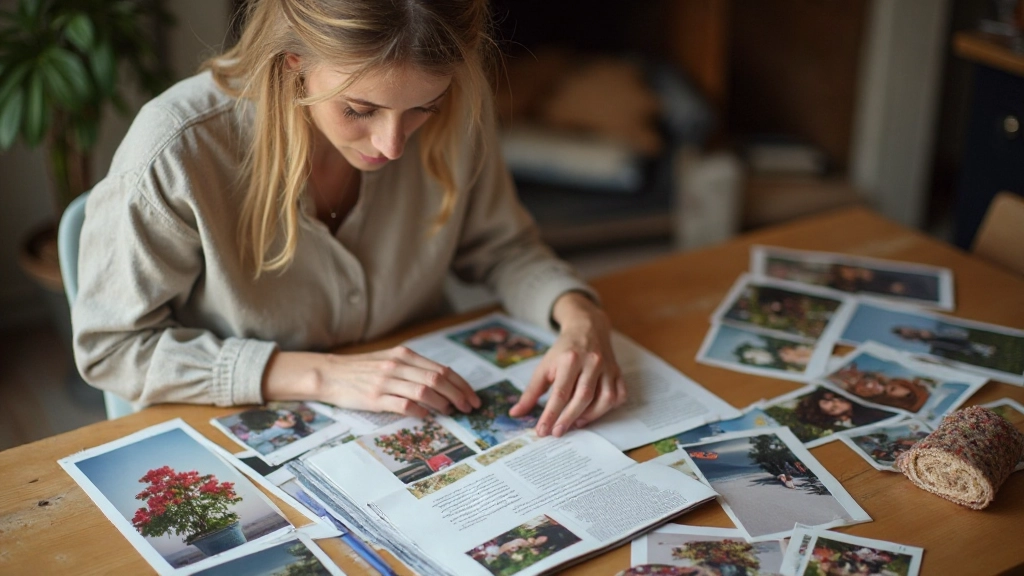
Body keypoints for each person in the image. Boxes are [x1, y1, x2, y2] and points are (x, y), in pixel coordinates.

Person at [71, 0, 626, 438]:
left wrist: (579, 317)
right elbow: (113, 349)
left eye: (422, 109)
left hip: (420, 417)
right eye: (359, 110)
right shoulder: (176, 150)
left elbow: (504, 249)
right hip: (238, 428)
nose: (392, 145)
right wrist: (321, 375)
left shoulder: (459, 110)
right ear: (294, 61)